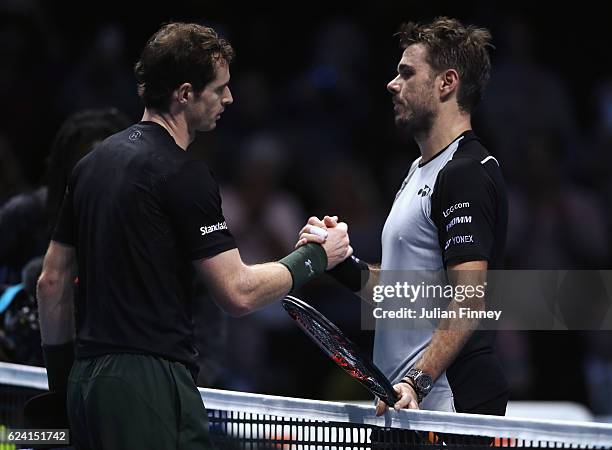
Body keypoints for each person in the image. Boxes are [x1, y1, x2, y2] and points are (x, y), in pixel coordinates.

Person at [33, 22, 351, 450]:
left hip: (84, 381)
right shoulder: (184, 173)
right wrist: (316, 257)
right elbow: (237, 292)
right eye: (219, 89)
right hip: (149, 385)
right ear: (185, 94)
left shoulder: (90, 166)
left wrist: (61, 390)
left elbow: (50, 284)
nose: (229, 98)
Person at [301, 17, 509, 416]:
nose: (392, 84)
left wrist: (418, 379)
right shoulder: (419, 171)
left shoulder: (465, 172)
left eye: (406, 74)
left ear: (446, 83)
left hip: (447, 402)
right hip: (402, 402)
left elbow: (469, 299)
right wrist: (342, 263)